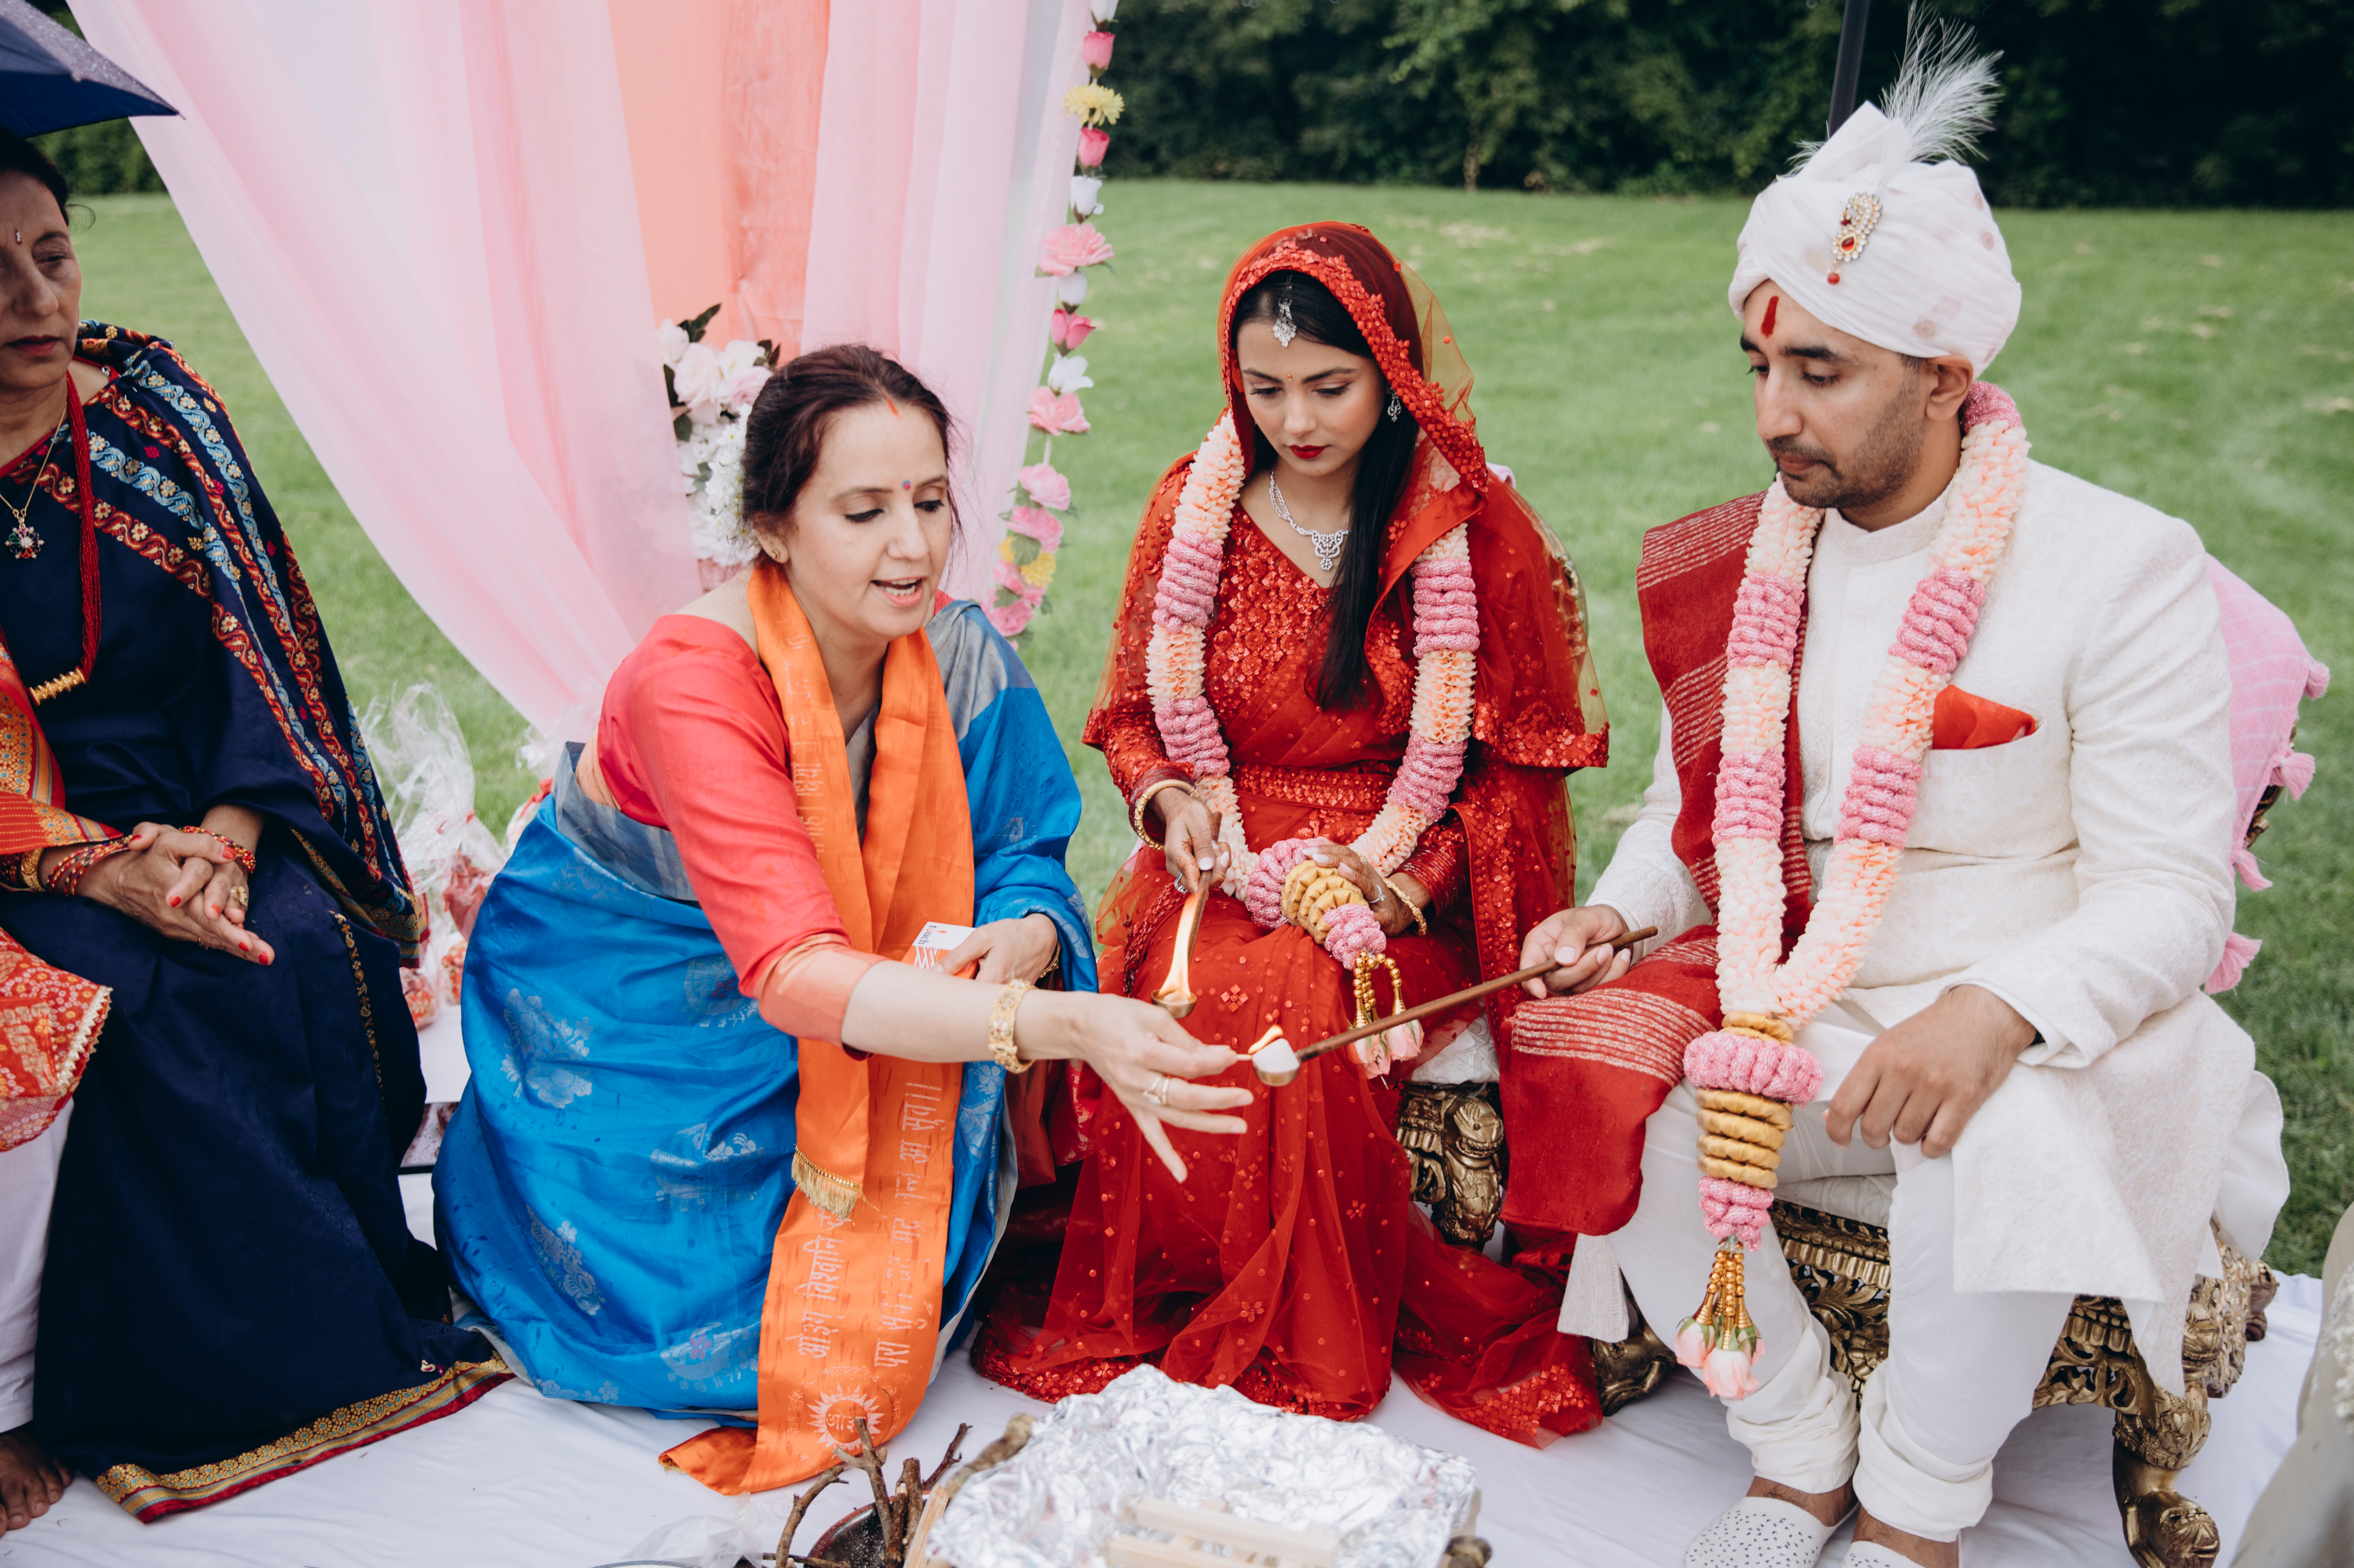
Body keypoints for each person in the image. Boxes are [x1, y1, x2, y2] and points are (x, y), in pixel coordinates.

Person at [1501, 33, 2290, 1568]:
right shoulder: (1742, 560)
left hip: (2050, 1016)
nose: (1771, 415)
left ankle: (1916, 1511)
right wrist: (1616, 916)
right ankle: (1795, 1450)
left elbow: (2171, 896)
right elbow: (1684, 816)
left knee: (1989, 1132)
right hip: (1795, 994)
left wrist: (1994, 1011)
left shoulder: (2118, 564)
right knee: (1591, 1069)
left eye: (1820, 373)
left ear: (1943, 375)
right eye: (1759, 368)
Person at [434, 343, 1249, 1495]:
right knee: (701, 1313)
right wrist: (1060, 1024)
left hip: (845, 994)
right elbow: (793, 974)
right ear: (771, 528)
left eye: (930, 502)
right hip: (637, 1027)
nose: (911, 547)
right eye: (864, 513)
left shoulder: (955, 650)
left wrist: (1025, 937)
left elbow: (1023, 849)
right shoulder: (694, 682)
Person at [974, 223, 1611, 1444]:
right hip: (1221, 847)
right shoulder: (1194, 504)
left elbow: (1504, 775)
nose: (1297, 420)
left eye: (1329, 386)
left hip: (1397, 861)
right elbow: (1131, 717)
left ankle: (1298, 1322)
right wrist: (1170, 806)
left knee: (1298, 997)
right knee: (1184, 994)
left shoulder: (1459, 524)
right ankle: (1183, 1286)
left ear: (1392, 373)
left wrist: (1399, 887)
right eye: (1265, 390)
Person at [0, 132, 500, 1527]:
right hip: (24, 837)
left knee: (296, 944)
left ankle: (332, 1335)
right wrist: (99, 864)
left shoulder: (154, 412)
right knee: (126, 995)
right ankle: (106, 1388)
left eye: (51, 254)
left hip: (215, 793)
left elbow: (262, 647)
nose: (33, 300)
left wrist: (223, 840)